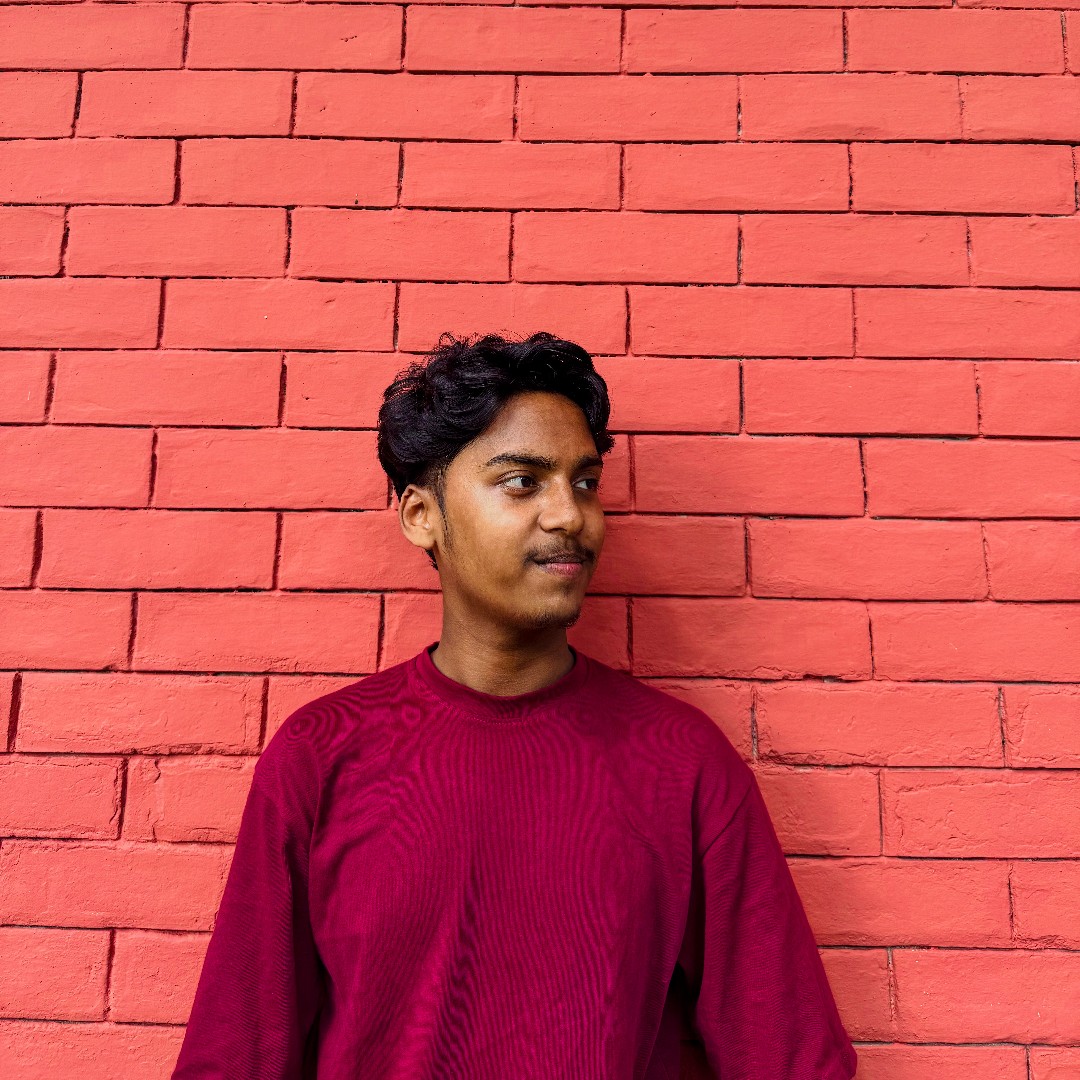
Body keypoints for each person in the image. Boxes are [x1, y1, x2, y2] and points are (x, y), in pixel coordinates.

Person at [171, 332, 859, 1079]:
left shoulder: (681, 761)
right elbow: (233, 1057)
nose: (570, 515)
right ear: (421, 515)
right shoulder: (322, 754)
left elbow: (792, 1057)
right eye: (523, 482)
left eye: (585, 483)